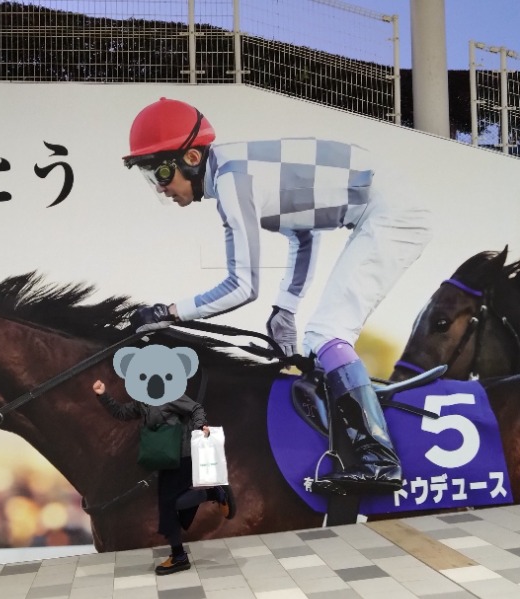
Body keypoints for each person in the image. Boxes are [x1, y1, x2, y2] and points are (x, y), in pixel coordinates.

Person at [121, 97, 433, 495]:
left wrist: (167, 312)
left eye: (161, 172)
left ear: (193, 157)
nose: (162, 188)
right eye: (151, 178)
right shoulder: (235, 174)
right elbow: (303, 234)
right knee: (320, 337)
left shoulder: (234, 183)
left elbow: (241, 287)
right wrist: (285, 309)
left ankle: (378, 460)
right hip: (384, 206)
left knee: (325, 335)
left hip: (392, 212)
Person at [92, 379, 235, 575]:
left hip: (183, 457)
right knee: (171, 505)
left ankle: (179, 555)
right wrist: (103, 395)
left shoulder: (171, 395)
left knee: (168, 506)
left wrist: (201, 425)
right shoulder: (142, 400)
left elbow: (196, 408)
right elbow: (121, 413)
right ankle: (211, 494)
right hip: (165, 460)